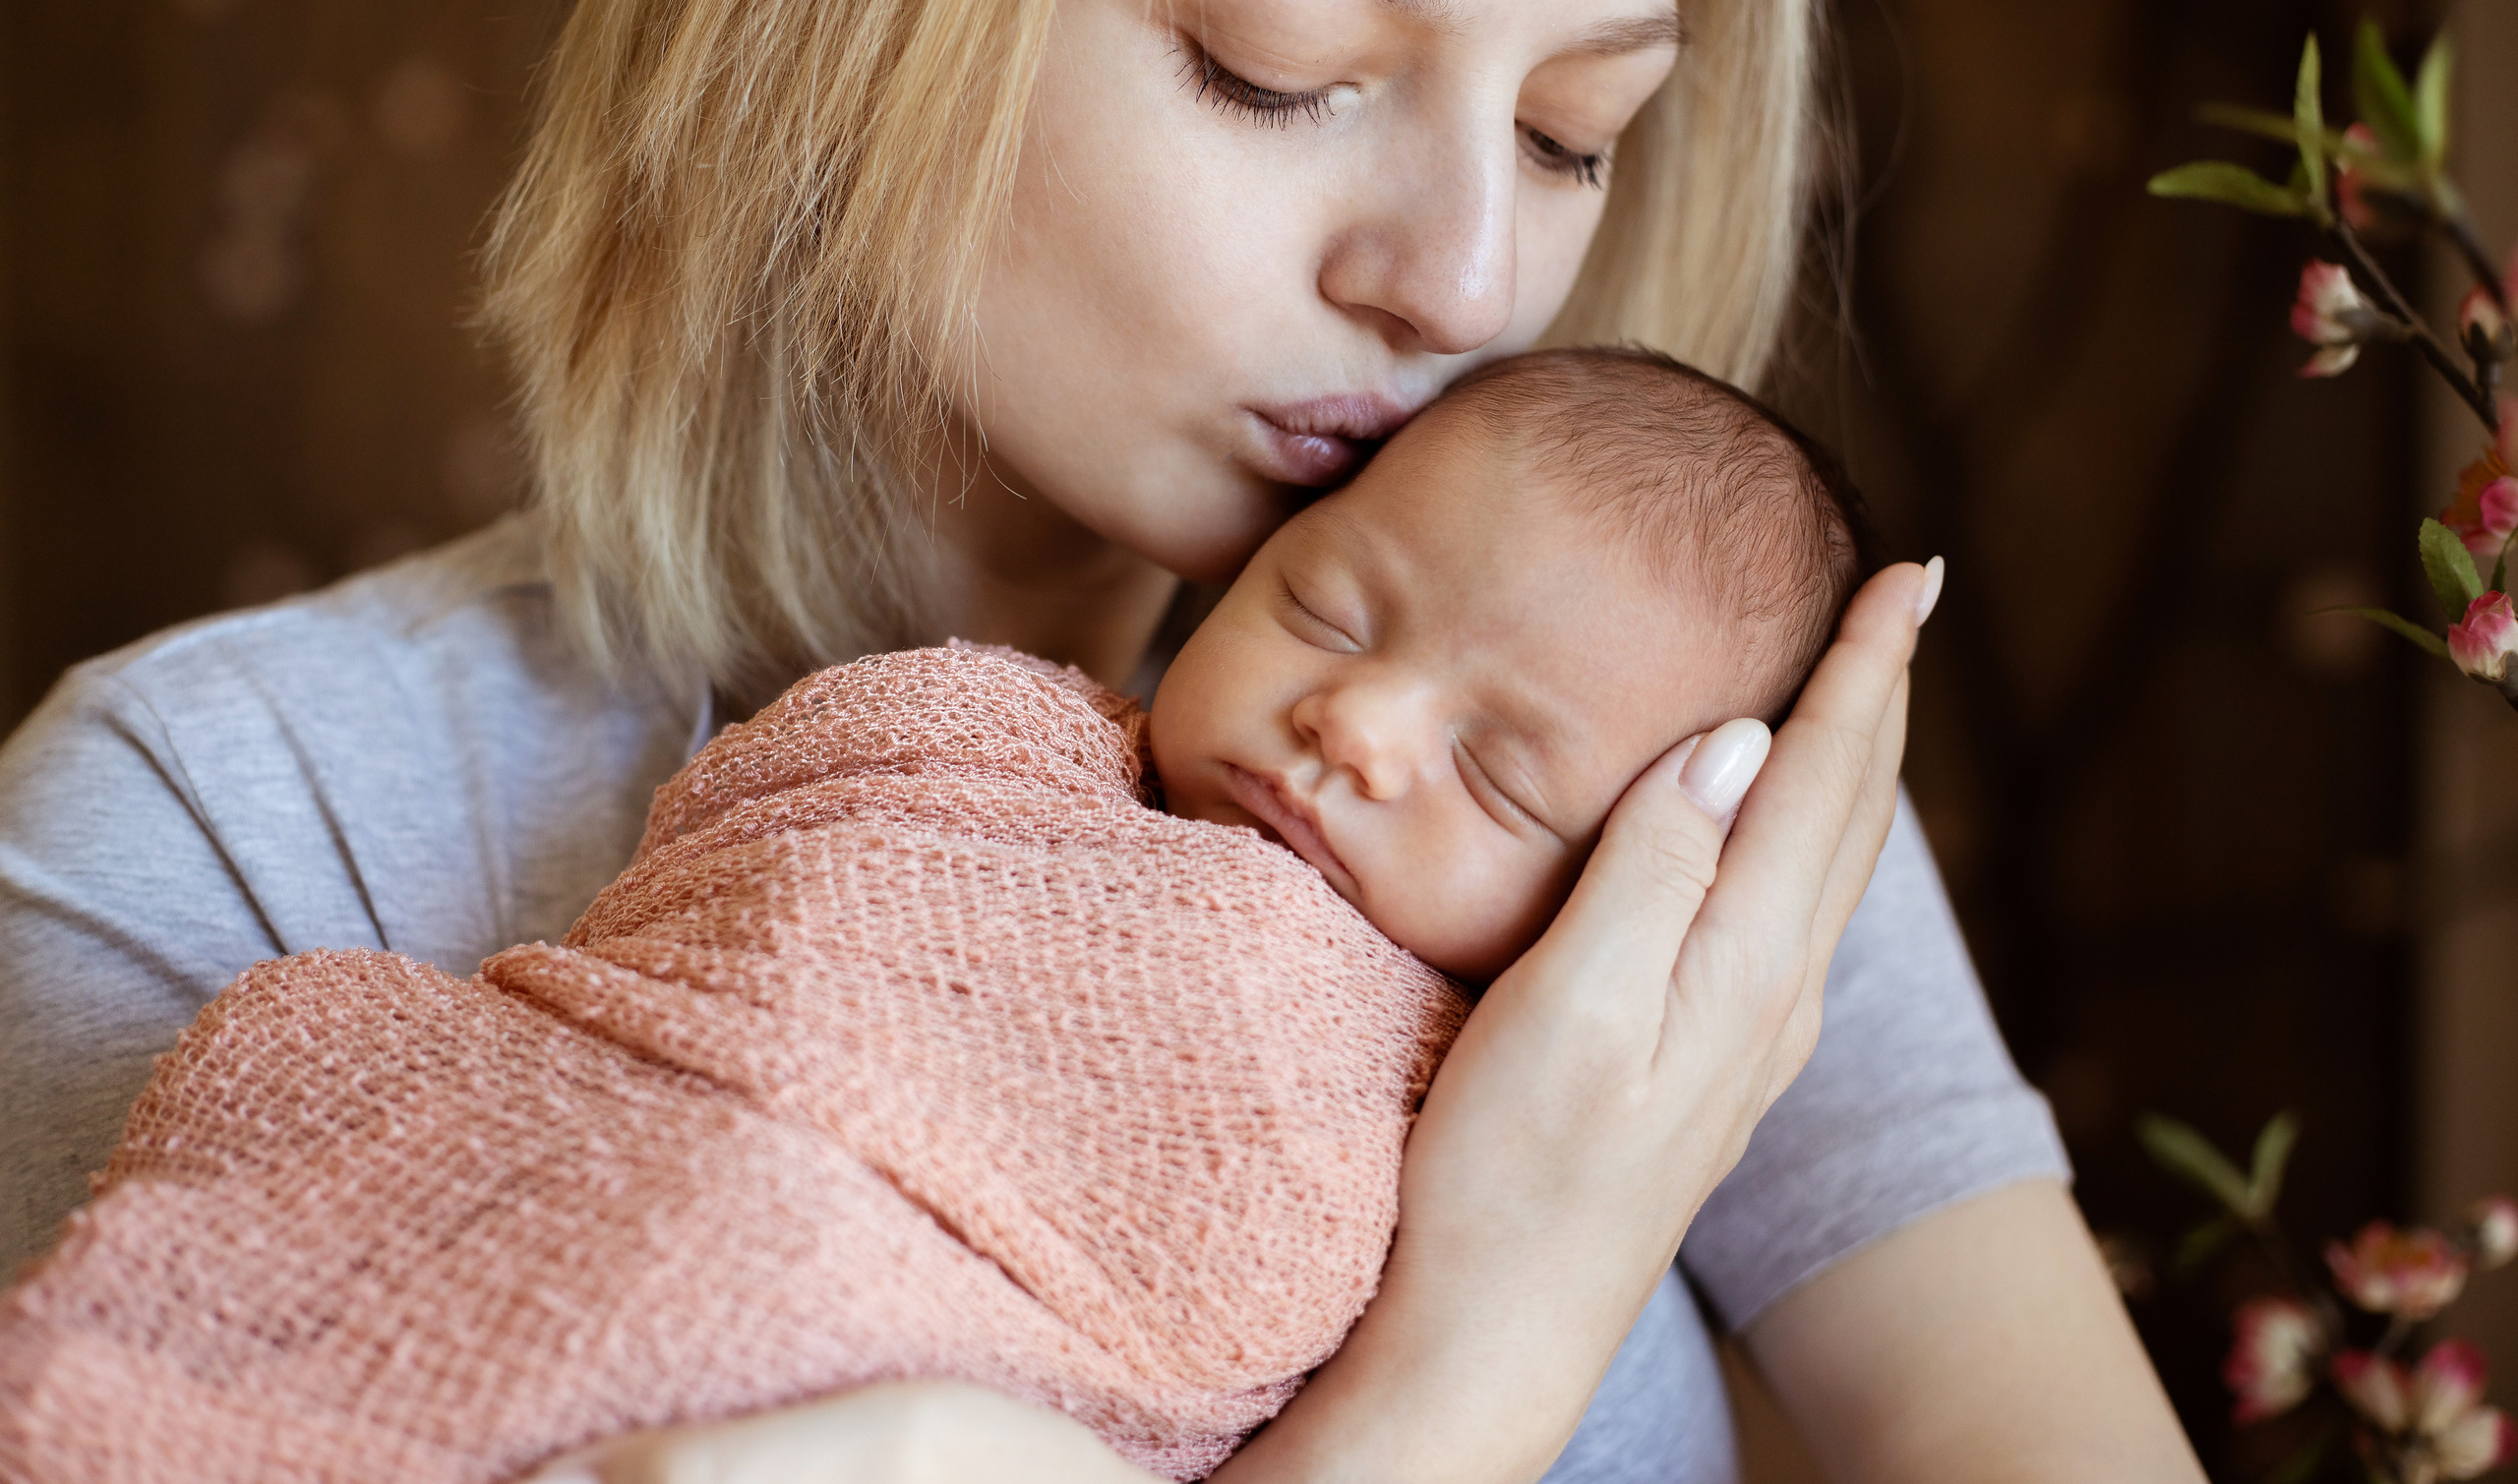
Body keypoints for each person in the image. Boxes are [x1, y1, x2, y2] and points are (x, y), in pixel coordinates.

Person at [0, 0, 2205, 1480]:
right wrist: (1472, 1360)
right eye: (1283, 66)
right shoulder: (222, 820)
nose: (1461, 279)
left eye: (1567, 134)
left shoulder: (1642, 785)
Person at [1, 348, 1857, 1482]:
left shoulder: (1684, 966)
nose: (1353, 725)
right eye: (1330, 613)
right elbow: (745, 858)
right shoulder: (983, 742)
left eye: (1568, 133)